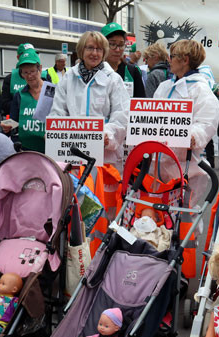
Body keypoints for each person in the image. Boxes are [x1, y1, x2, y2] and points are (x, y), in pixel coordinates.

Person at [50, 30, 130, 253]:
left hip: (105, 158)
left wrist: (108, 134)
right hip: (74, 158)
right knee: (74, 209)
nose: (94, 53)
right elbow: (57, 113)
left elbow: (121, 116)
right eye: (89, 48)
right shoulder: (68, 77)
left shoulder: (114, 79)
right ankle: (75, 259)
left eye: (98, 49)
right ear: (81, 51)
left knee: (104, 212)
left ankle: (102, 257)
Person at [151, 40, 219, 176]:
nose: (168, 60)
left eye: (173, 56)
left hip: (186, 168)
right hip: (157, 166)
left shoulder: (201, 90)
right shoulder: (164, 87)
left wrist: (192, 136)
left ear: (185, 60)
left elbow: (206, 124)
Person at [4, 50, 49, 153]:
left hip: (49, 150)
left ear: (40, 69)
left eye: (32, 71)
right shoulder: (19, 95)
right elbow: (14, 120)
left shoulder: (53, 91)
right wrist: (6, 125)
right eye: (25, 72)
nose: (29, 76)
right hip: (26, 151)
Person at [101, 22, 145, 98]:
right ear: (102, 46)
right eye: (112, 44)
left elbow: (140, 102)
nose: (117, 50)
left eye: (121, 45)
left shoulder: (132, 71)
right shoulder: (95, 71)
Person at [0, 43, 36, 117]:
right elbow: (4, 104)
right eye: (26, 55)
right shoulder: (10, 79)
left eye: (32, 55)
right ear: (18, 57)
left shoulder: (45, 77)